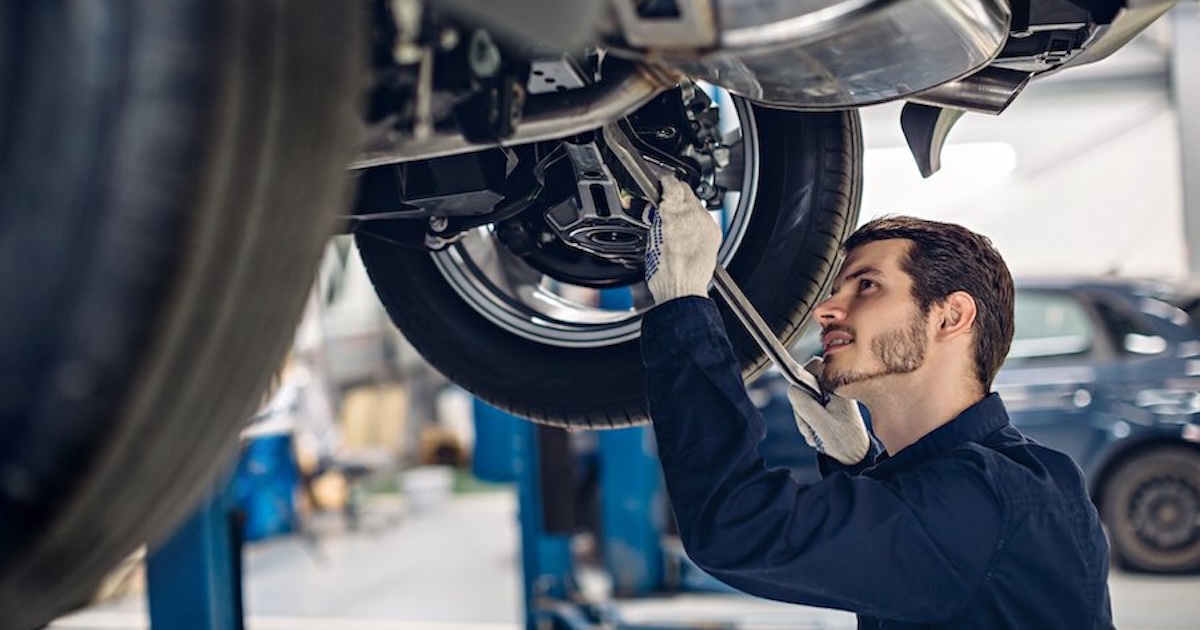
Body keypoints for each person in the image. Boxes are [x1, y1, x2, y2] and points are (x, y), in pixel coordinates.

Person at [640, 177, 1113, 628]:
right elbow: (911, 539)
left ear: (951, 316)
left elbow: (735, 526)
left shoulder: (987, 501)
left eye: (867, 285)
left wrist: (683, 303)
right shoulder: (1010, 480)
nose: (826, 310)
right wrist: (858, 462)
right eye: (835, 290)